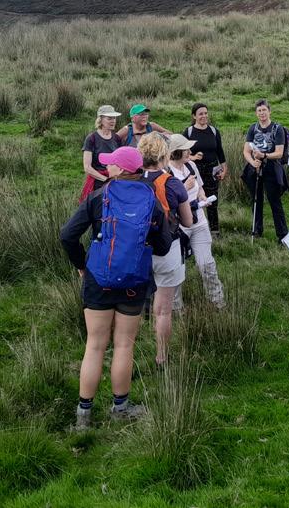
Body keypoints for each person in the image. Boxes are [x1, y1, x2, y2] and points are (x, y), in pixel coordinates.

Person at [59, 146, 172, 428]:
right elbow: (163, 245)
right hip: (134, 280)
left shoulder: (98, 197)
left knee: (95, 345)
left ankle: (83, 417)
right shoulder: (151, 198)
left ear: (121, 169)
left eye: (110, 164)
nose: (106, 167)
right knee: (124, 344)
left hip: (98, 278)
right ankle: (120, 408)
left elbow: (67, 235)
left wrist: (81, 265)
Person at [139, 132, 192, 366]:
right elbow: (187, 221)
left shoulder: (131, 180)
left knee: (132, 308)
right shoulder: (173, 183)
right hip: (166, 249)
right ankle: (161, 357)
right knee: (163, 311)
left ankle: (127, 352)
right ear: (165, 155)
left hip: (138, 251)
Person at [167, 133, 225, 308]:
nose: (189, 152)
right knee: (176, 269)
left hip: (199, 222)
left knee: (207, 264)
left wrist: (203, 197)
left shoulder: (191, 165)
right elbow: (167, 202)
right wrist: (184, 188)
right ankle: (176, 309)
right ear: (176, 152)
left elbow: (200, 187)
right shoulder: (166, 172)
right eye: (186, 149)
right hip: (178, 227)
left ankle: (217, 301)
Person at [242, 99, 289, 241]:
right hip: (255, 168)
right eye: (259, 111)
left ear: (269, 111)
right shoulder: (253, 128)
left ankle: (282, 235)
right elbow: (246, 151)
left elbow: (279, 153)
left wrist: (264, 156)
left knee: (275, 201)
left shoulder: (277, 129)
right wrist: (252, 162)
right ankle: (257, 230)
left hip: (272, 168)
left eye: (264, 110)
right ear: (256, 113)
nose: (262, 113)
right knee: (256, 199)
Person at [183, 103, 227, 237]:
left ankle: (214, 231)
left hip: (213, 171)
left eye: (206, 113)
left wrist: (224, 169)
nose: (204, 116)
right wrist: (193, 157)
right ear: (194, 116)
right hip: (195, 172)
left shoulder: (213, 131)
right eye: (200, 114)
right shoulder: (189, 132)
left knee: (212, 201)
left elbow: (220, 151)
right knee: (195, 200)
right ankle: (195, 229)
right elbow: (182, 153)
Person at [80, 104, 120, 202]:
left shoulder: (117, 138)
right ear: (100, 119)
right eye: (109, 118)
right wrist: (105, 180)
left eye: (114, 118)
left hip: (114, 180)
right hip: (97, 182)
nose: (113, 121)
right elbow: (87, 167)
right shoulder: (92, 138)